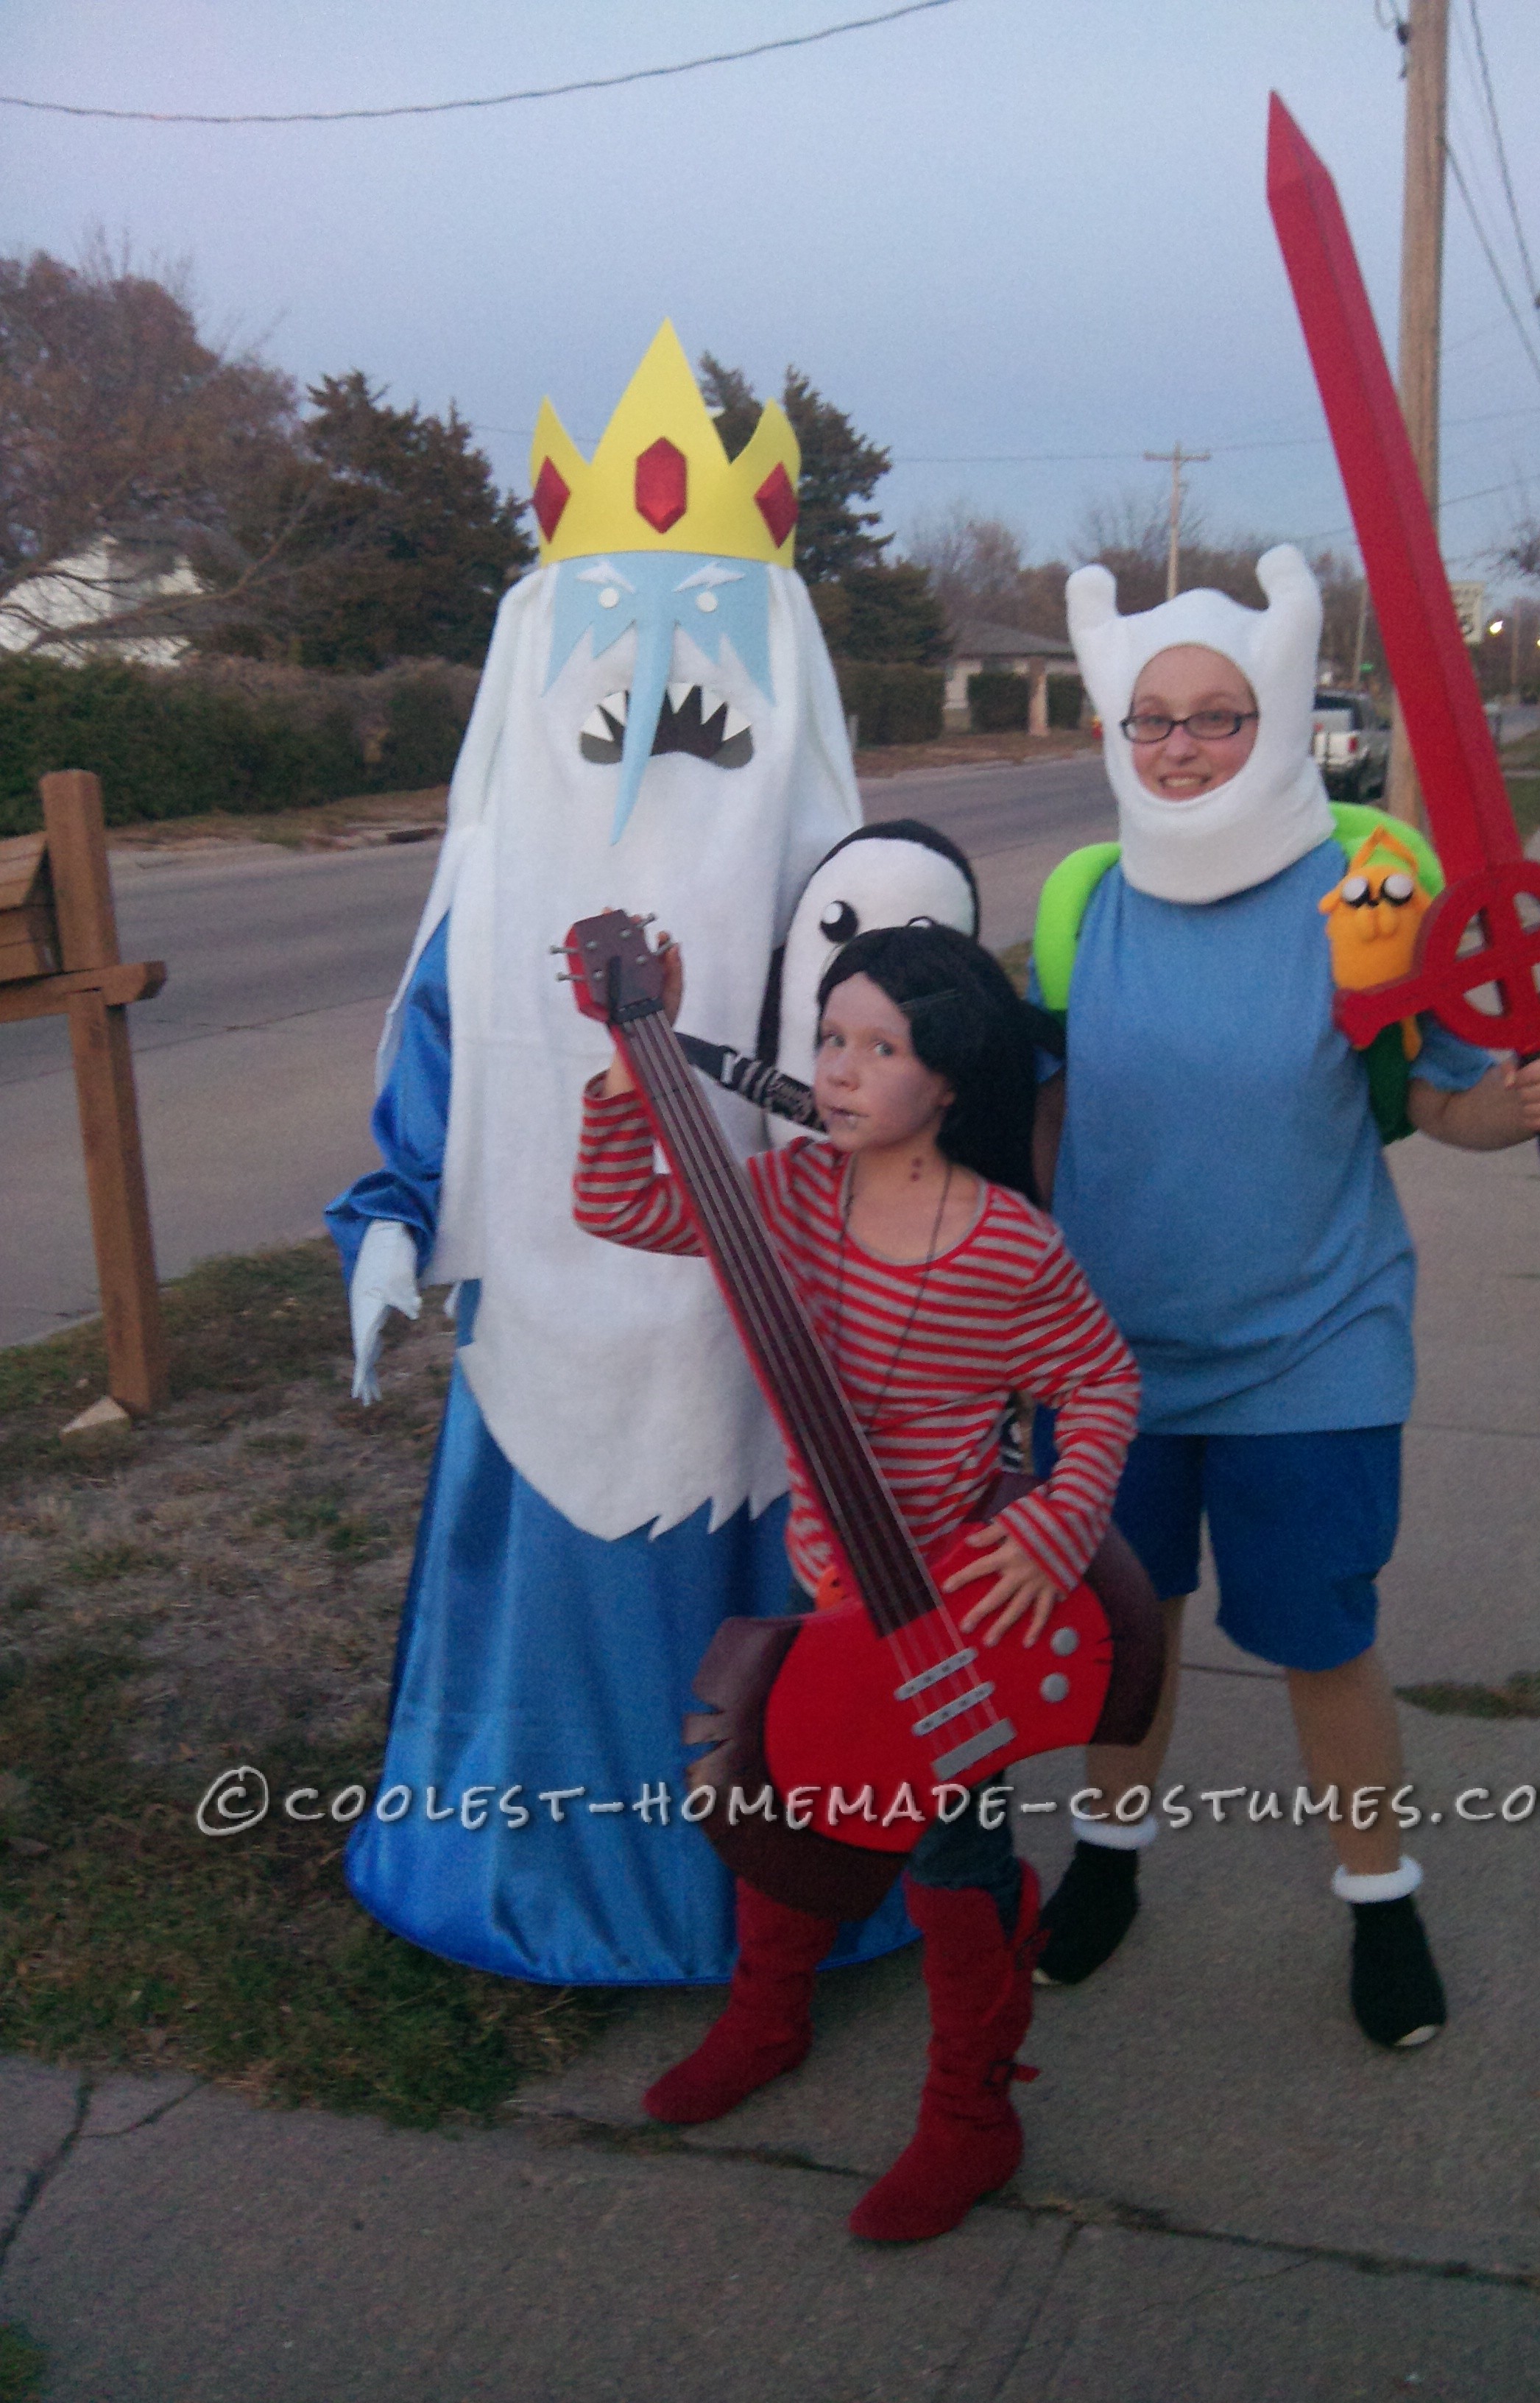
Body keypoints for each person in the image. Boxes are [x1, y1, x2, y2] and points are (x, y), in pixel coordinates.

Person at [324, 323, 919, 1988]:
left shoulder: (843, 887)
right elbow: (448, 1052)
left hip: (771, 1350)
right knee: (576, 1629)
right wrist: (386, 1221)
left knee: (773, 1622)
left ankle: (784, 1882)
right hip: (553, 1342)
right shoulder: (503, 882)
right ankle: (553, 1870)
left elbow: (913, 1099)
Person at [1028, 546, 1540, 2047]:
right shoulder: (1086, 902)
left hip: (1313, 1353)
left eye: (1219, 717)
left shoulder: (1368, 889)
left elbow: (1440, 1104)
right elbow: (1047, 1123)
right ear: (1114, 735)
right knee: (1125, 1642)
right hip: (1112, 1367)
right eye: (1155, 721)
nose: (1185, 747)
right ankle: (1109, 1862)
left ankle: (1380, 1897)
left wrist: (1517, 1106)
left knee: (1320, 1639)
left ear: (1278, 720)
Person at [572, 922, 1141, 2240]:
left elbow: (1104, 1381)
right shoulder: (782, 1195)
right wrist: (623, 1077)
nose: (838, 1069)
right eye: (830, 1038)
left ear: (948, 1078)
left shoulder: (1009, 1245)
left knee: (954, 1860)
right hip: (834, 1601)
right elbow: (619, 1207)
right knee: (785, 1806)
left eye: (879, 1048)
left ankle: (972, 2115)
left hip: (955, 1624)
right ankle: (767, 2021)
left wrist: (1060, 1520)